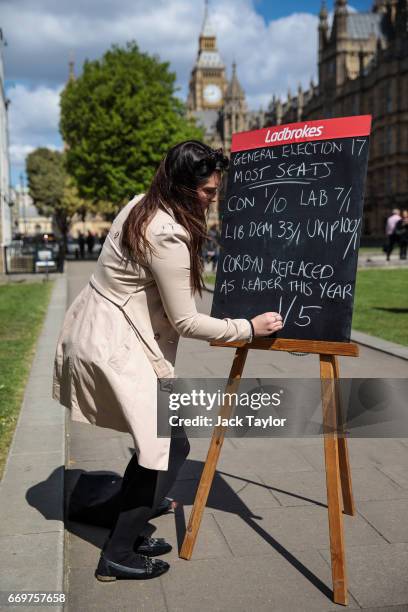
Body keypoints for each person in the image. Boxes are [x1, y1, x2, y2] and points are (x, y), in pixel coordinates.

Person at [52, 140, 283, 582]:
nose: (213, 200)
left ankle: (123, 526)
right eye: (208, 192)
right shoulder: (167, 234)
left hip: (102, 331)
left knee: (157, 443)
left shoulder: (142, 204)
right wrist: (248, 329)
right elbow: (187, 320)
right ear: (182, 185)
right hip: (116, 344)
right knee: (167, 446)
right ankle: (117, 553)